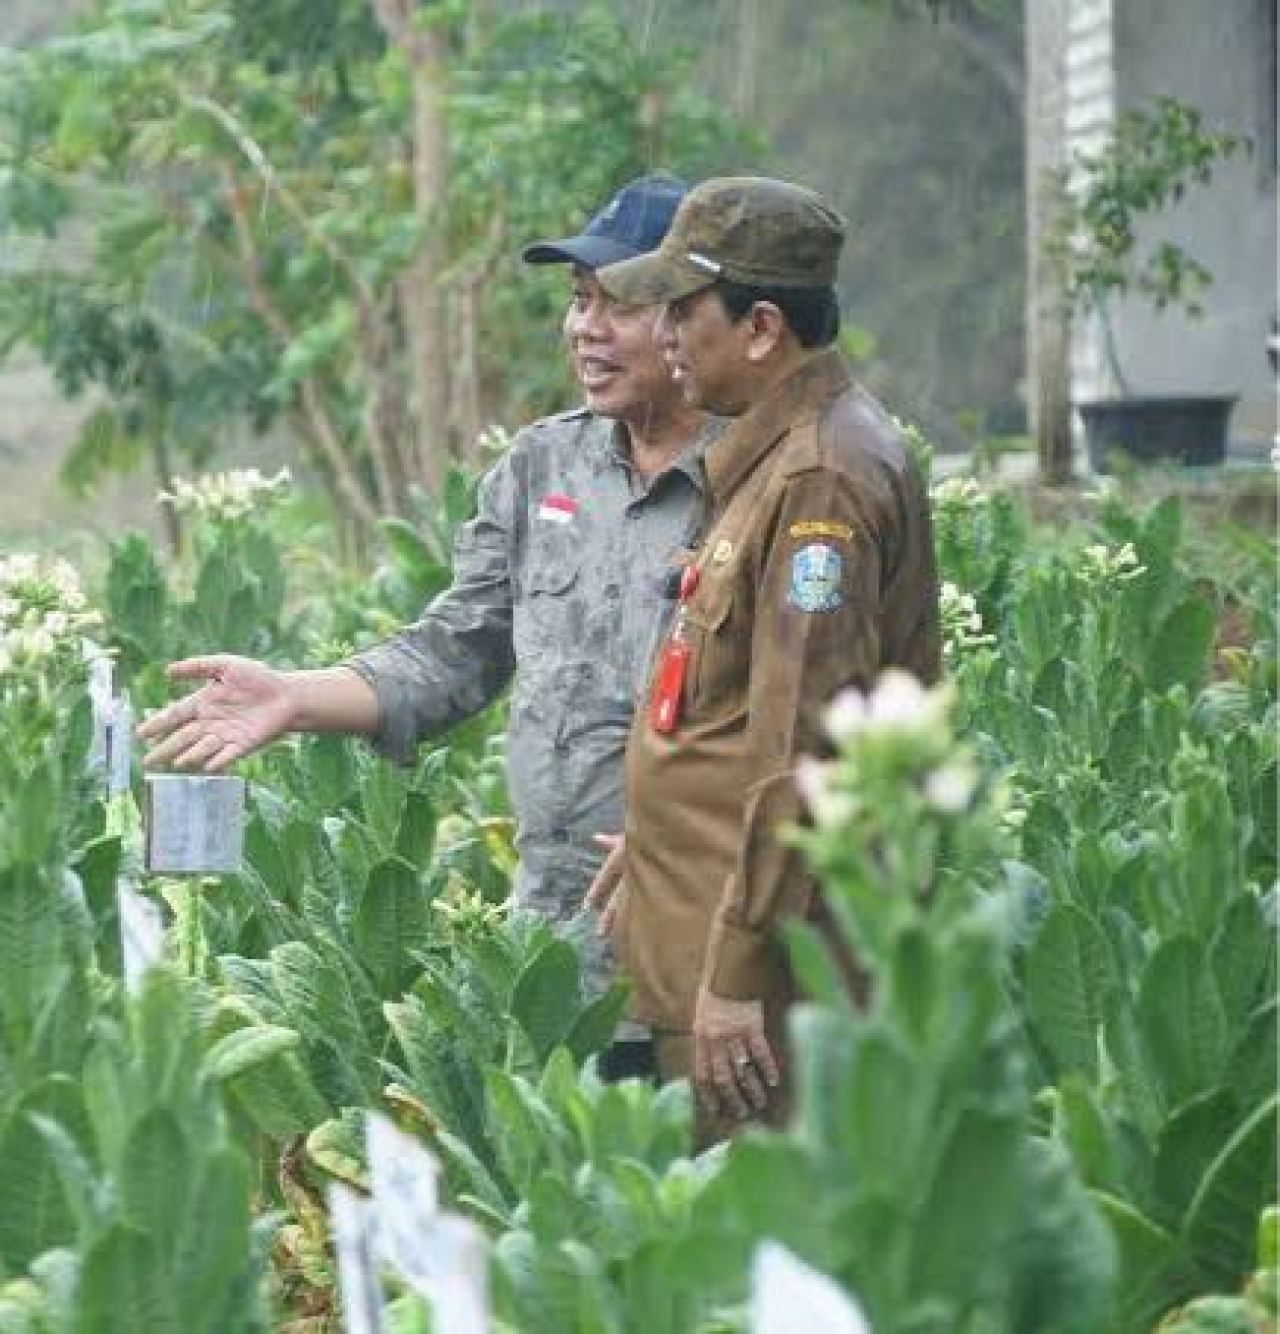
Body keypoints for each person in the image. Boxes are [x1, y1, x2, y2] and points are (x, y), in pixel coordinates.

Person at [138, 174, 717, 1079]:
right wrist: (293, 697)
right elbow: (455, 651)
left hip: (709, 972)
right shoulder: (542, 465)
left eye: (619, 306)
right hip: (555, 956)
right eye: (577, 303)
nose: (584, 331)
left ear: (694, 321)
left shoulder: (770, 483)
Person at [586, 176, 941, 1134]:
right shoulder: (772, 456)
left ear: (760, 328)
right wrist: (657, 842)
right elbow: (735, 707)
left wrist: (739, 973)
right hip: (711, 934)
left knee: (755, 1258)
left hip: (762, 993)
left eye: (682, 311)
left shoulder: (821, 477)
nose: (661, 335)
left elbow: (807, 746)